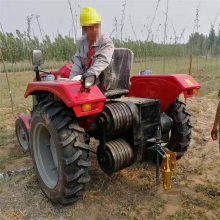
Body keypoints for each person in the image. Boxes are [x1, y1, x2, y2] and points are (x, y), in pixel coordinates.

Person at [70, 7, 115, 91]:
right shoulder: (82, 43)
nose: (94, 30)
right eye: (91, 27)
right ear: (85, 29)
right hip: (85, 83)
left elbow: (101, 62)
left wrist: (88, 76)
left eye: (96, 26)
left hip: (101, 84)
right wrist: (71, 81)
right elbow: (77, 62)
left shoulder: (106, 43)